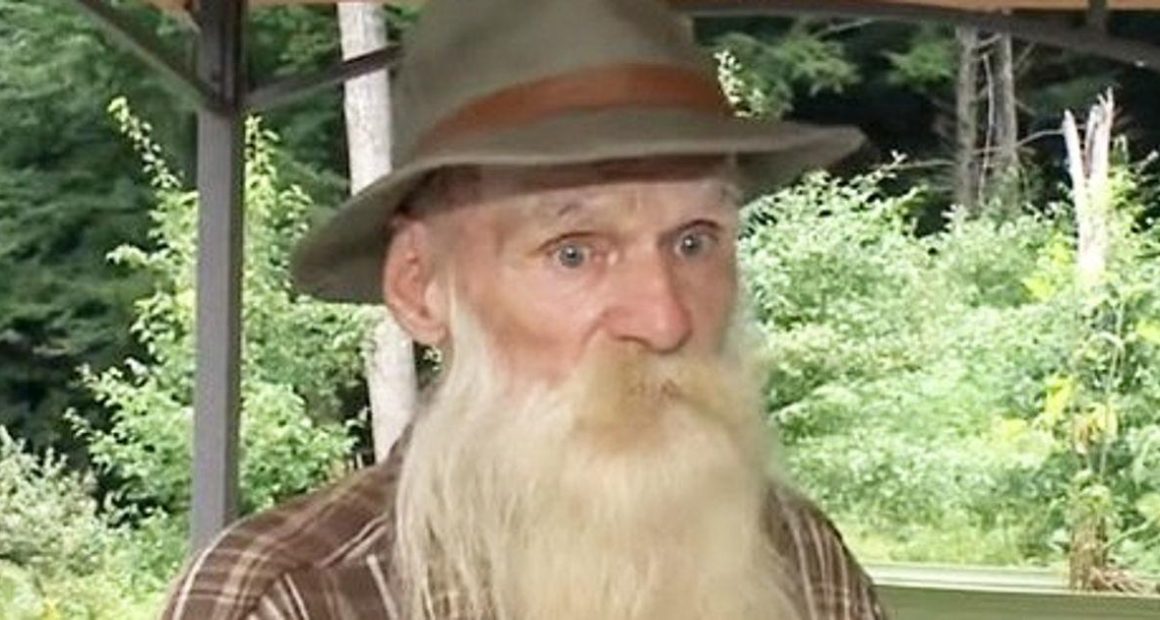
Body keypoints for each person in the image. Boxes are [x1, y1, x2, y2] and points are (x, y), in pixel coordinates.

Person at [160, 0, 883, 618]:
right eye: (574, 252)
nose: (666, 321)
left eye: (694, 241)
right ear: (419, 287)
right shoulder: (293, 599)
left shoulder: (803, 560)